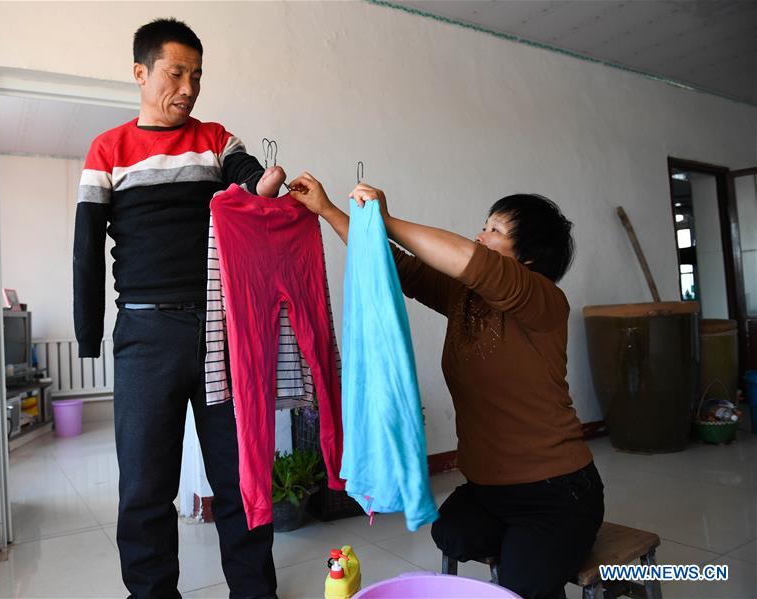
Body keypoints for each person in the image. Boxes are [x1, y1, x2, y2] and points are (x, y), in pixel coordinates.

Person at [288, 173, 604, 599]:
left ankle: (540, 556)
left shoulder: (543, 301)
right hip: (490, 489)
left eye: (495, 230)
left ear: (528, 257)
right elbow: (395, 266)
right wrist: (328, 210)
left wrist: (387, 219)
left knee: (523, 586)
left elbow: (472, 260)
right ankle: (528, 553)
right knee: (453, 533)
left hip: (556, 491)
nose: (480, 235)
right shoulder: (464, 296)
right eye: (484, 226)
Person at [73, 18, 284, 599]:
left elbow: (247, 175)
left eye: (196, 75)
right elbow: (86, 249)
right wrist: (89, 333)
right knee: (145, 488)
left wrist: (265, 183)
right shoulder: (108, 150)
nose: (188, 87)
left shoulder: (214, 138)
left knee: (240, 479)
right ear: (140, 73)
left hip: (222, 330)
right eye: (175, 73)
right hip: (146, 333)